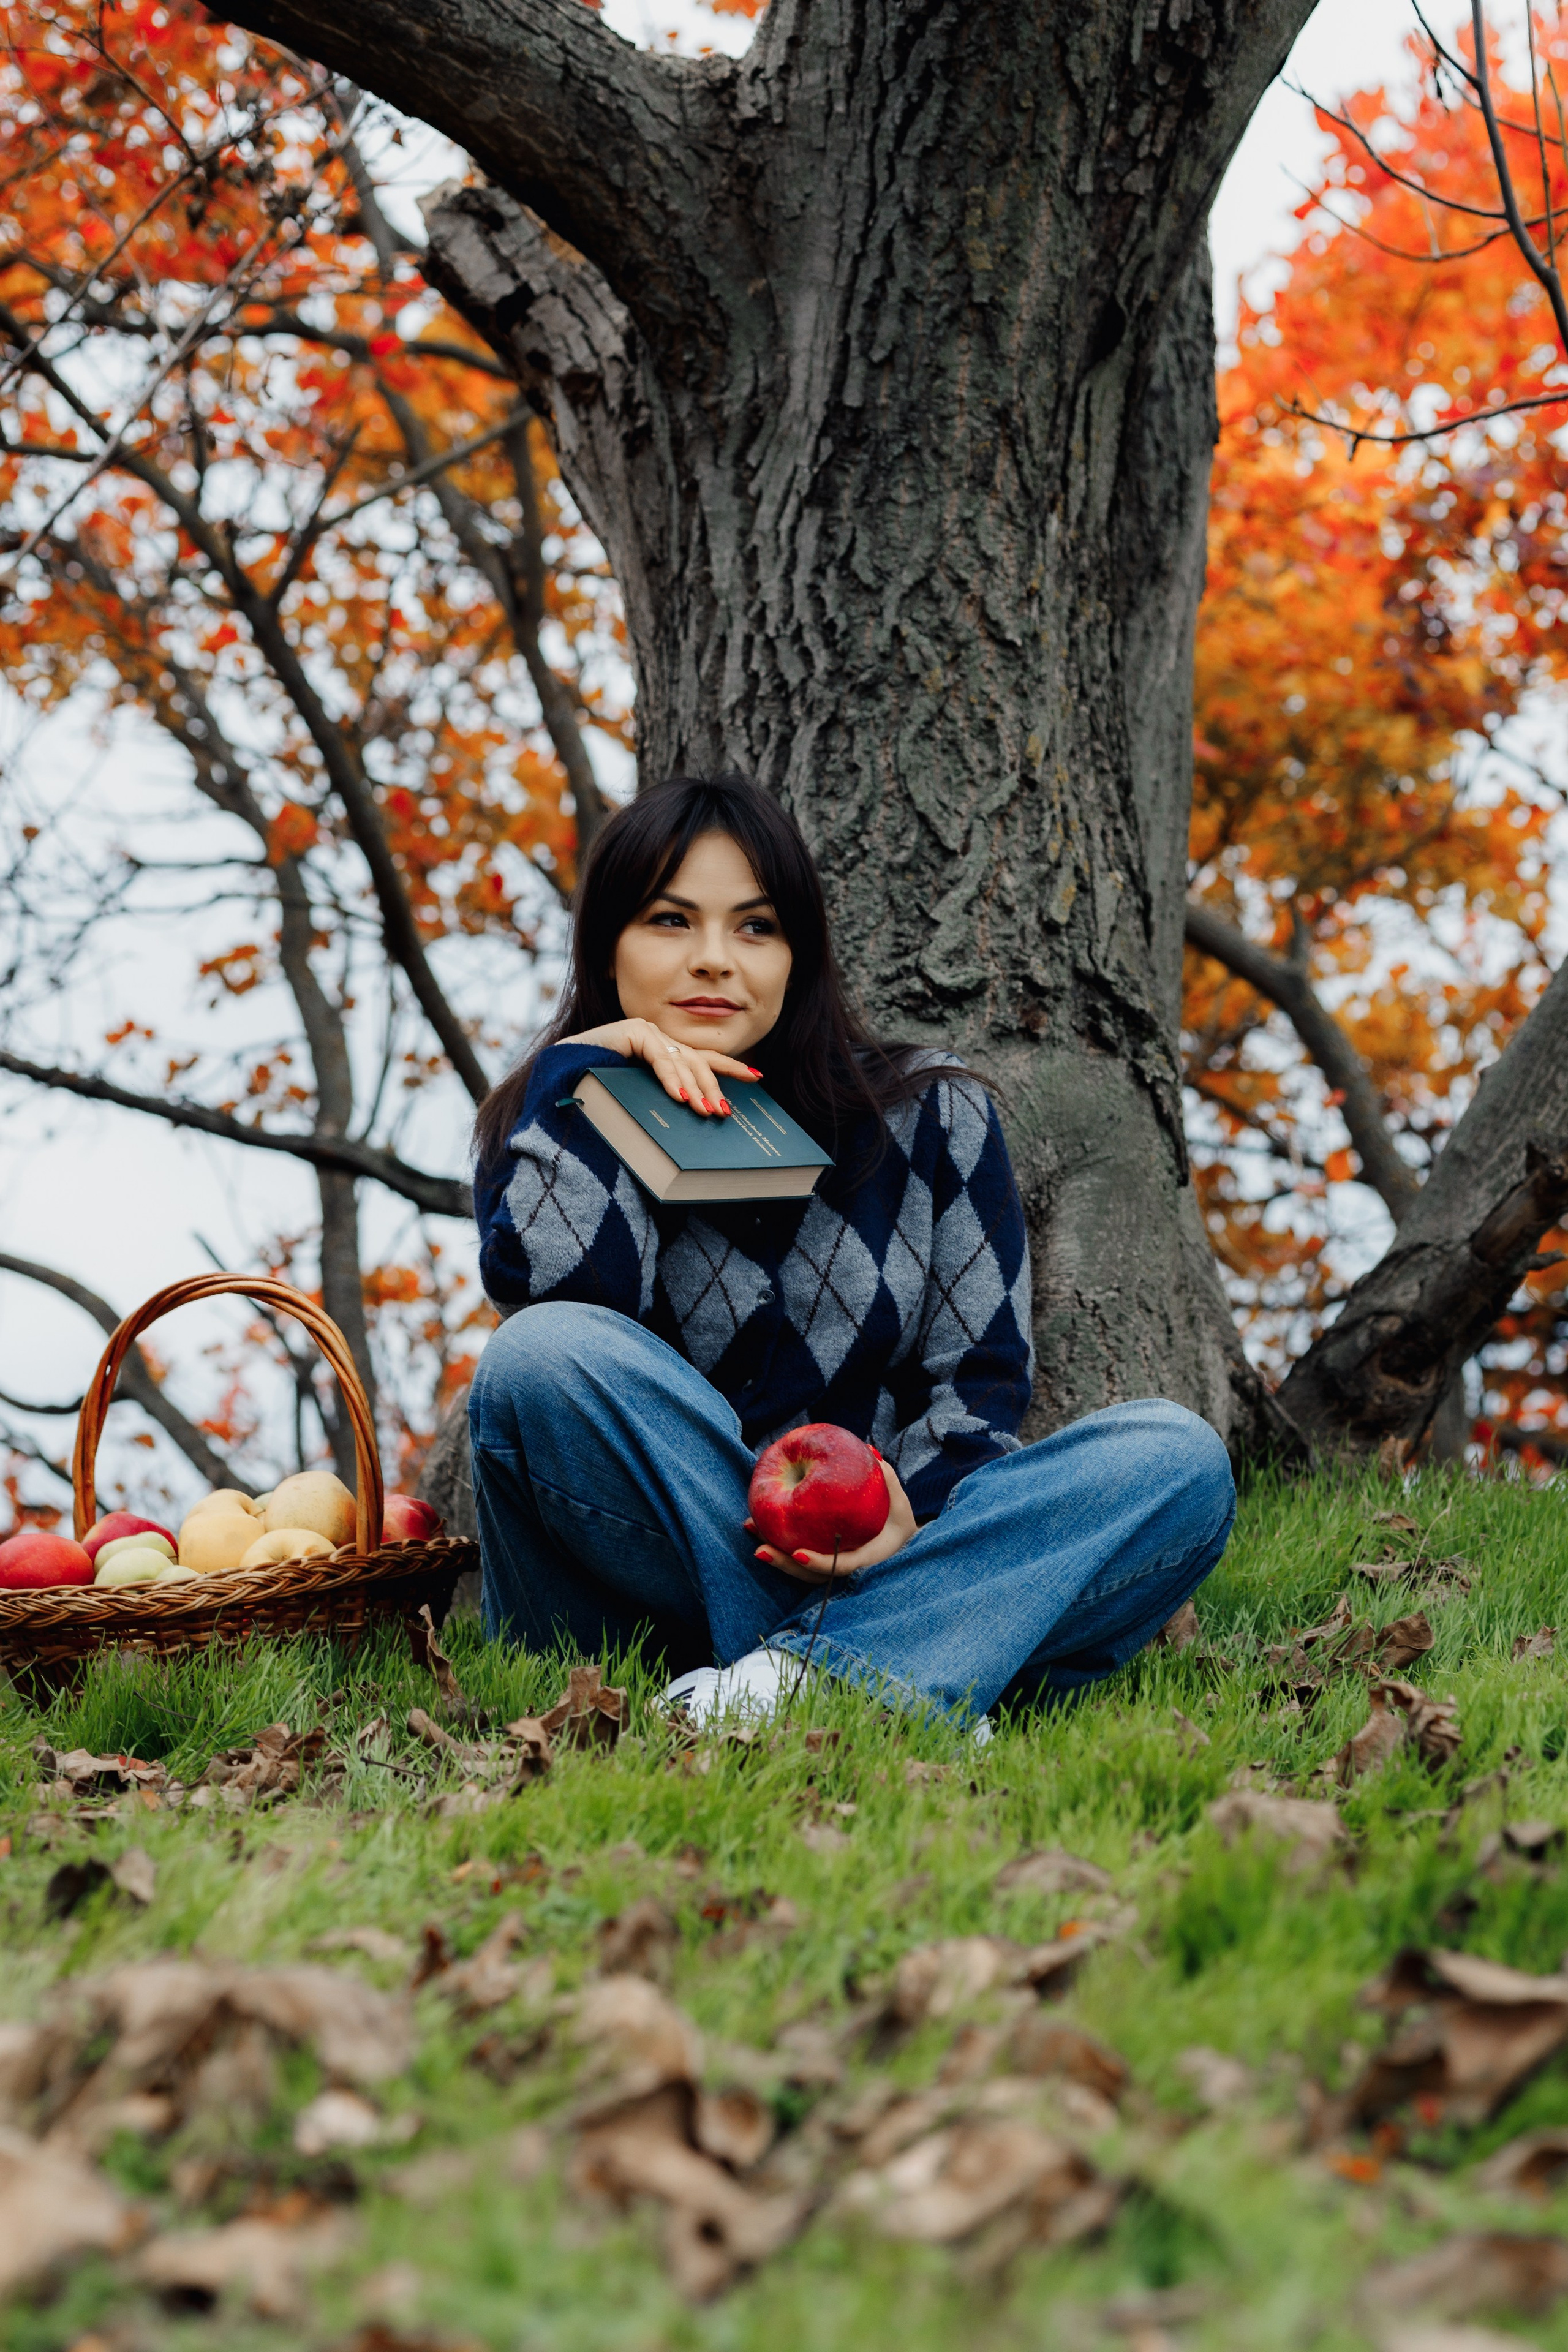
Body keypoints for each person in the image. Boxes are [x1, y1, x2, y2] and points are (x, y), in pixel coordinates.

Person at [469, 773, 1235, 1729]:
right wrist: (585, 1082)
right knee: (540, 1354)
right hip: (648, 1590)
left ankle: (793, 1683)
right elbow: (563, 1313)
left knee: (1175, 1458)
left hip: (889, 1557)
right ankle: (897, 1671)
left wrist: (904, 1520)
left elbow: (978, 1390)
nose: (715, 961)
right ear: (608, 945)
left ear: (801, 953)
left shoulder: (930, 1115)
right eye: (671, 921)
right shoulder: (553, 1120)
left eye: (756, 927)